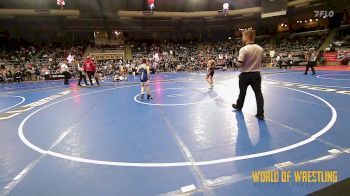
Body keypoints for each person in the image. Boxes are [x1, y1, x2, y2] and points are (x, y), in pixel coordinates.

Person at [232, 29, 265, 120]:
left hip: (245, 75)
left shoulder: (244, 49)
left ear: (246, 37)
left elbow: (240, 63)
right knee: (258, 94)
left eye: (243, 37)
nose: (242, 38)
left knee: (242, 93)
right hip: (256, 74)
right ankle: (260, 113)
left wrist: (235, 62)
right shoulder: (260, 48)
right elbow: (263, 60)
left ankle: (239, 106)